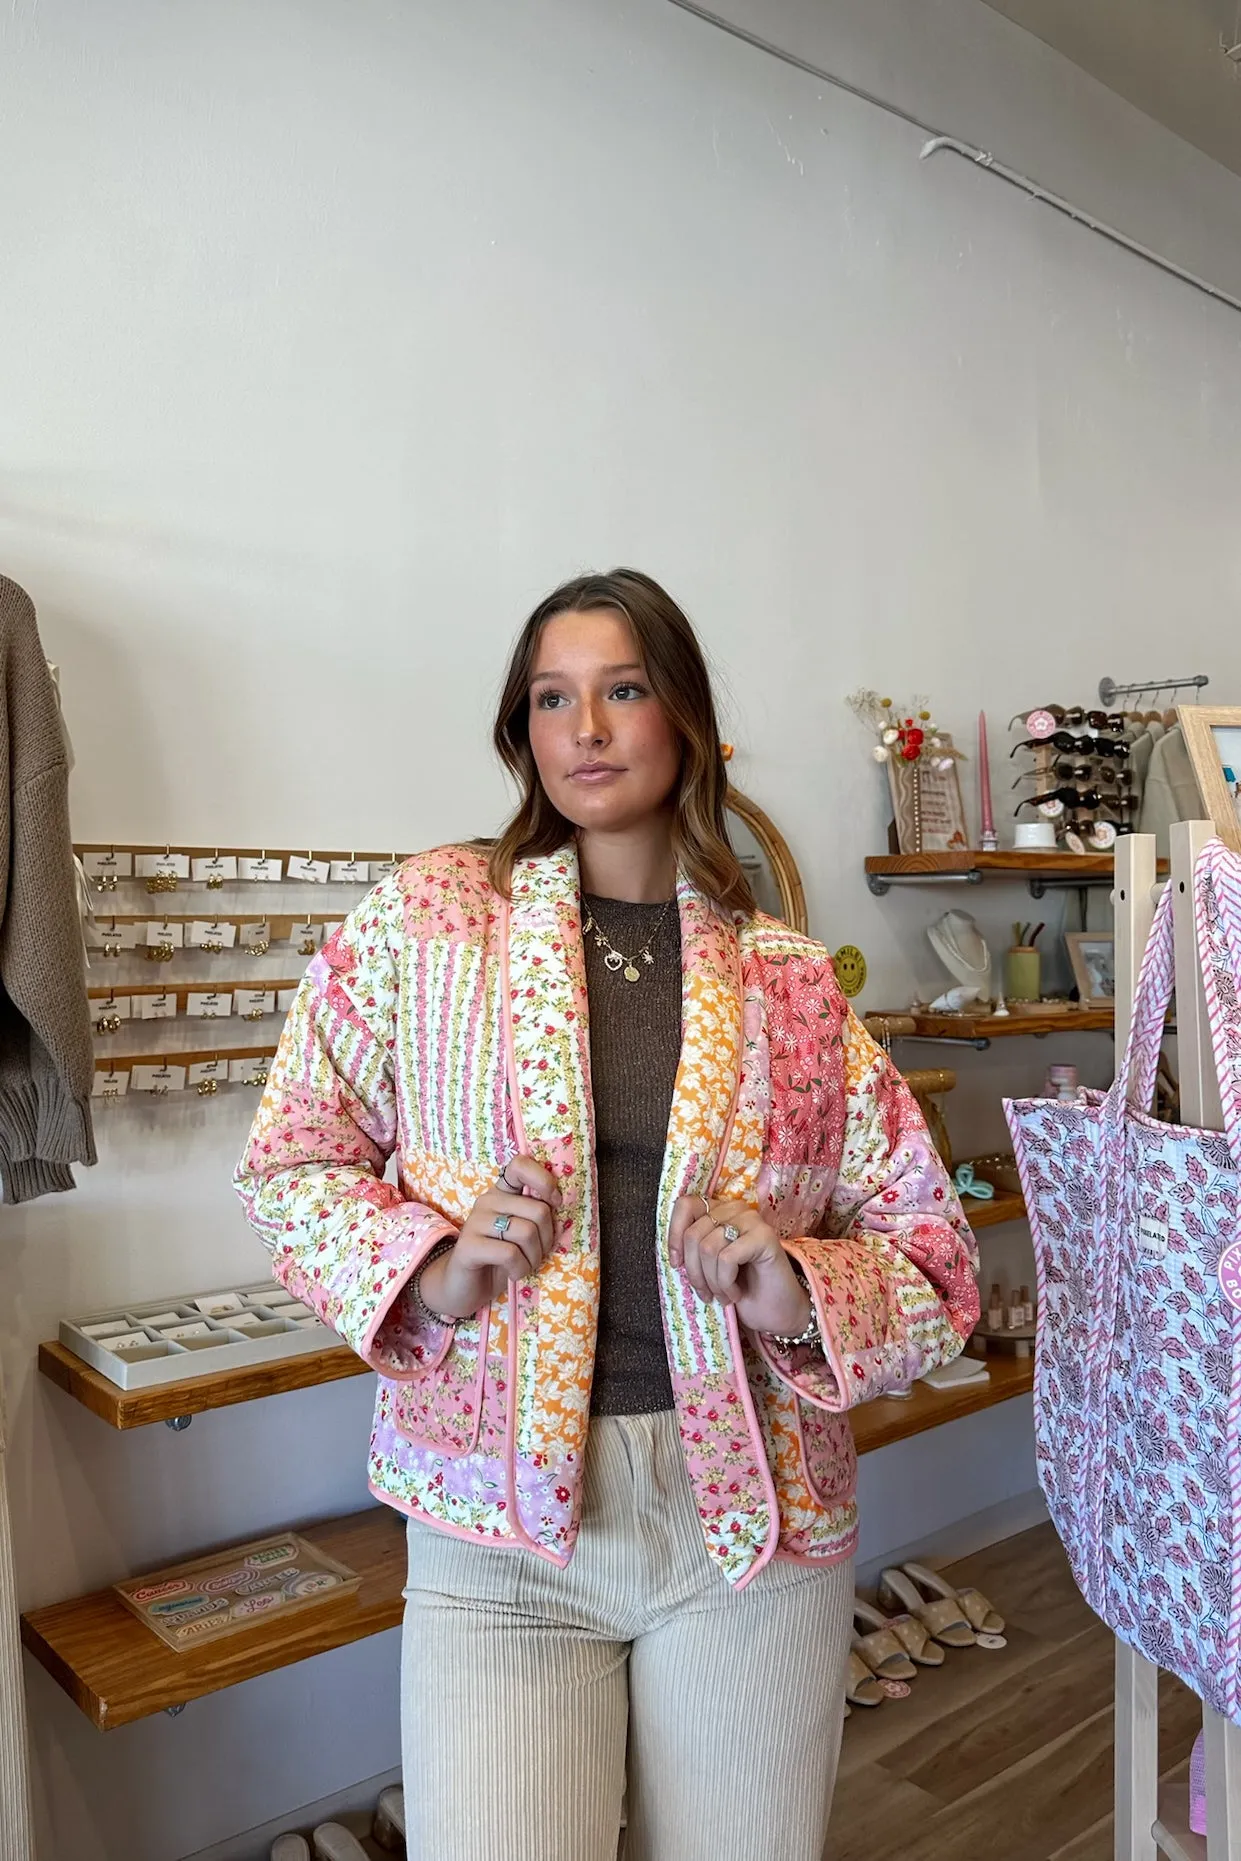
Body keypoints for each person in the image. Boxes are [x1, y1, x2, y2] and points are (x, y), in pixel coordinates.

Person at [234, 568, 979, 1861]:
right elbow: (292, 1162)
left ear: (683, 717)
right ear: (520, 733)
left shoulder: (790, 984)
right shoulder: (428, 926)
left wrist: (792, 1283)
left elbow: (935, 1253)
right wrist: (436, 1270)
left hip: (753, 1530)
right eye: (551, 699)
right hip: (498, 1538)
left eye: (622, 690)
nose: (585, 728)